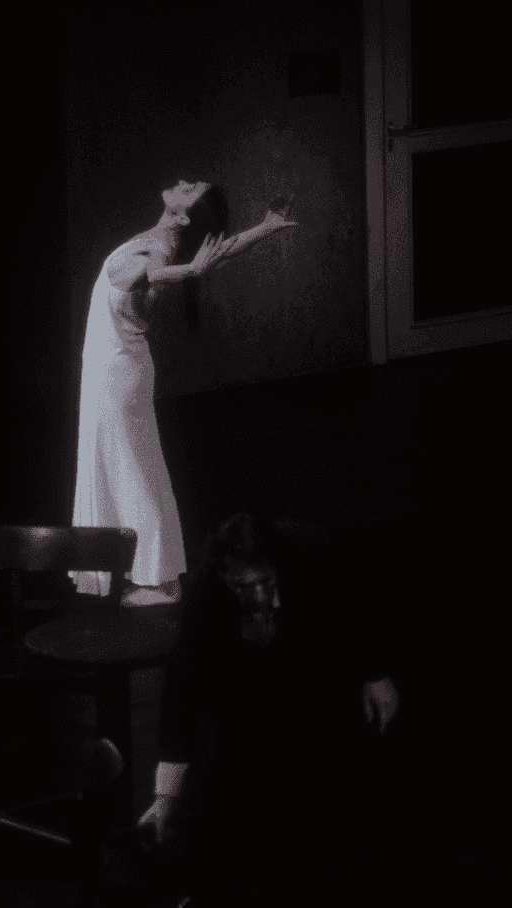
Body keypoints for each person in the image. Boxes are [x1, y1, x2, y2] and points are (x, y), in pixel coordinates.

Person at [135, 512, 401, 908]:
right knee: (235, 754)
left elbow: (356, 606)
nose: (258, 593)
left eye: (266, 580)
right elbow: (183, 685)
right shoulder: (204, 592)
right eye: (243, 585)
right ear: (223, 577)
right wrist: (166, 794)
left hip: (310, 647)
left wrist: (374, 673)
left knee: (318, 752)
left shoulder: (313, 558)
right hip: (242, 667)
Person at [70, 182, 298, 608]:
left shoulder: (156, 253)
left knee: (136, 474)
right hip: (116, 368)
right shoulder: (166, 242)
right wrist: (265, 228)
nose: (181, 182)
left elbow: (140, 275)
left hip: (117, 373)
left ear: (184, 214)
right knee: (126, 468)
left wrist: (191, 271)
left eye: (190, 189)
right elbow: (217, 253)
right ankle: (138, 569)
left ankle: (160, 582)